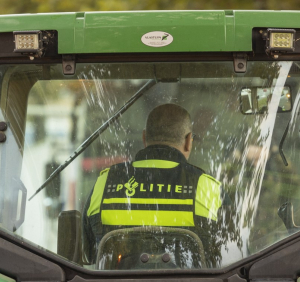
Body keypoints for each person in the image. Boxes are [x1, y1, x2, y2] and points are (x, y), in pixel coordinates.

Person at [82, 103, 226, 266]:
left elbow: (89, 256)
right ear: (188, 141)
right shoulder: (208, 188)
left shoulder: (104, 183)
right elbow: (230, 256)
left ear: (144, 138)